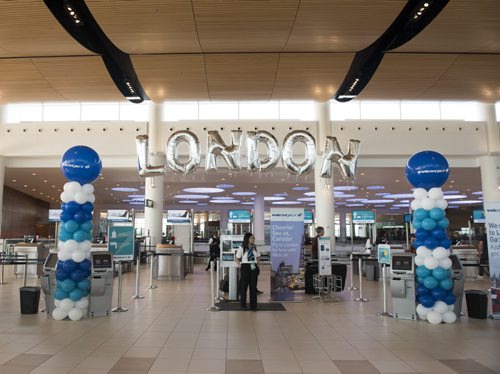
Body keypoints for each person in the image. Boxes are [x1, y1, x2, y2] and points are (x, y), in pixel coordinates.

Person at [236, 232, 261, 311]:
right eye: (251, 238)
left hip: (253, 267)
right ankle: (243, 305)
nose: (253, 239)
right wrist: (241, 267)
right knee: (244, 287)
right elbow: (237, 259)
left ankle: (253, 306)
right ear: (247, 239)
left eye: (253, 238)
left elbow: (258, 257)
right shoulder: (242, 248)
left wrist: (257, 266)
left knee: (253, 287)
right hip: (245, 267)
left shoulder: (255, 248)